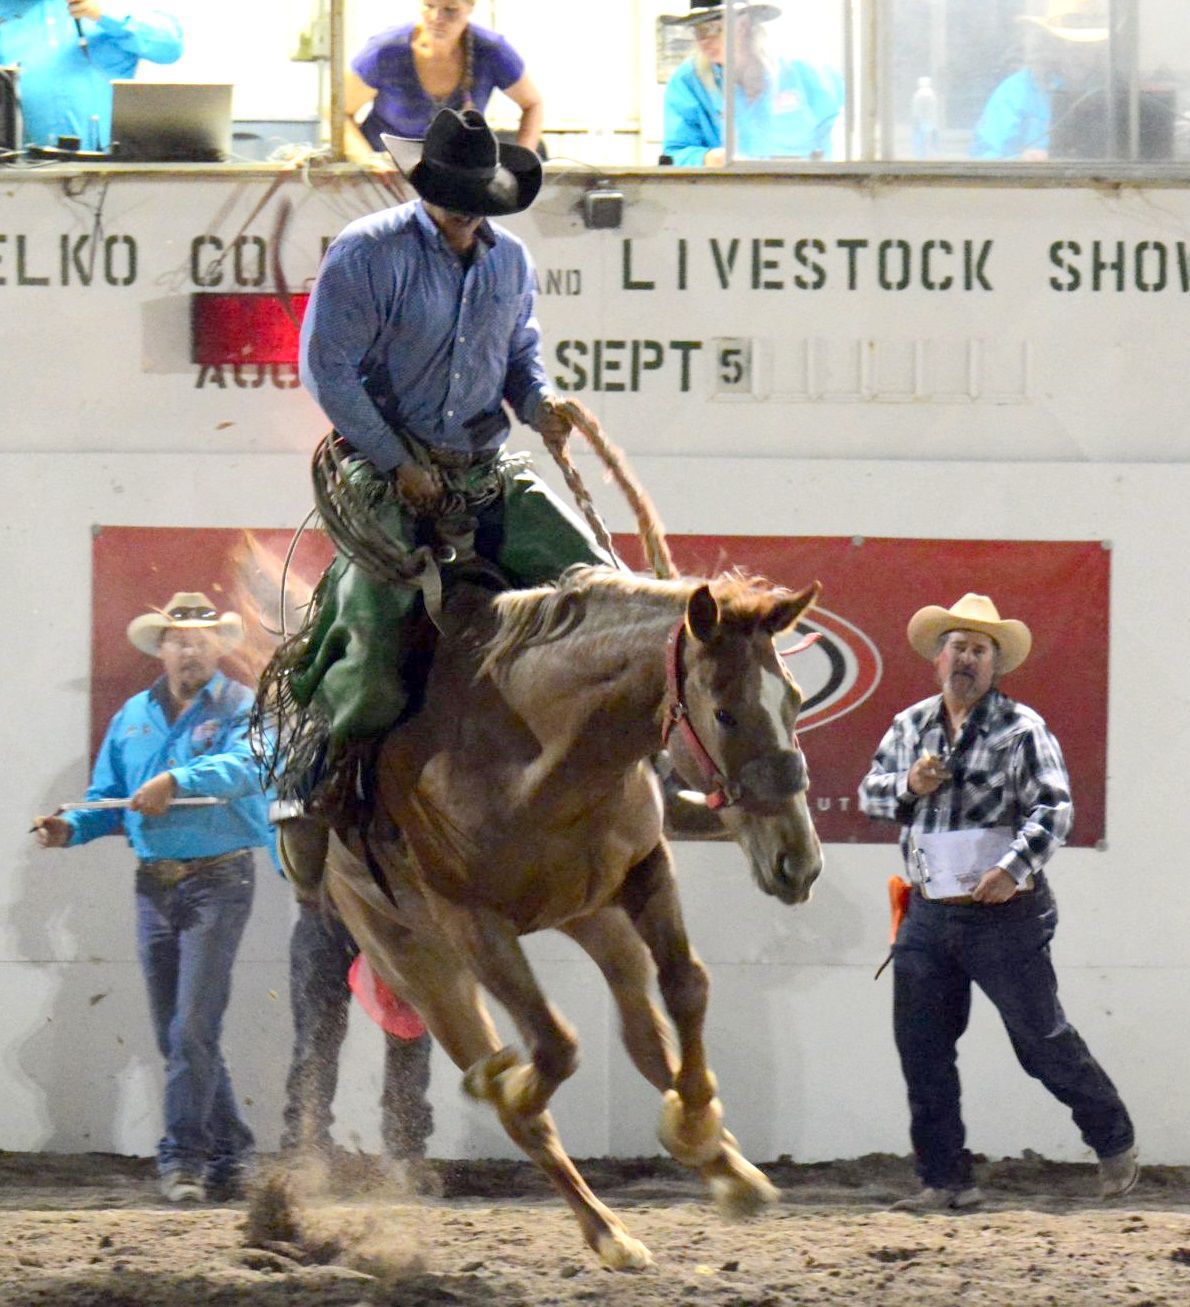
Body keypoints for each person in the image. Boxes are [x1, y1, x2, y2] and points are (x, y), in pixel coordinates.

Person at [263, 106, 615, 876]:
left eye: (477, 202)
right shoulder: (368, 254)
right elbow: (328, 370)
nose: (467, 216)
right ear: (426, 189)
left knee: (603, 586)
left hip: (481, 468)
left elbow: (521, 351)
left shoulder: (510, 262)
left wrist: (540, 403)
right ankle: (309, 774)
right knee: (377, 639)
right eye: (457, 201)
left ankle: (633, 772)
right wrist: (395, 460)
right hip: (380, 471)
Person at [858, 593, 1139, 1212]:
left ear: (994, 666)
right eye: (957, 646)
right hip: (929, 909)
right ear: (939, 658)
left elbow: (1054, 809)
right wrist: (908, 784)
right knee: (923, 1048)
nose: (966, 659)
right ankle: (945, 1180)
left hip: (1004, 912)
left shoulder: (1022, 730)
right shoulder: (909, 728)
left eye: (979, 651)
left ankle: (1113, 1137)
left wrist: (1013, 870)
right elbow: (870, 796)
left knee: (1040, 1039)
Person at [32, 592, 272, 1203]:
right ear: (161, 650)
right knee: (178, 1034)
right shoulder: (132, 716)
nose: (189, 649)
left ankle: (183, 1159)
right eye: (178, 640)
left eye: (200, 640)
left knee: (191, 1026)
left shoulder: (243, 707)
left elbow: (246, 768)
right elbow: (107, 796)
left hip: (219, 881)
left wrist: (176, 780)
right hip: (155, 887)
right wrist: (72, 828)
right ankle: (235, 1153)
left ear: (218, 647)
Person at [281, 902, 434, 1181]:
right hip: (326, 909)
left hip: (399, 914)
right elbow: (289, 864)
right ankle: (306, 1150)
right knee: (316, 1038)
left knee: (408, 1034)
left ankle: (405, 1153)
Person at [343, 0, 543, 165]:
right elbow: (339, 113)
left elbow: (532, 104)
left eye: (450, 10)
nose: (436, 18)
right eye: (429, 6)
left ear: (470, 7)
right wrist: (368, 160)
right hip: (387, 176)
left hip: (455, 175)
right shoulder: (385, 51)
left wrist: (520, 161)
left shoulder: (492, 51)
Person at [661, 0, 842, 166]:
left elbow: (846, 129)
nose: (704, 41)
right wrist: (708, 158)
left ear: (743, 25)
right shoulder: (689, 81)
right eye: (698, 31)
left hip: (808, 191)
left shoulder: (806, 71)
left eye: (713, 28)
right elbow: (675, 154)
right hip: (725, 193)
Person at [0, 1, 182, 151]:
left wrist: (105, 15)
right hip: (21, 171)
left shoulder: (116, 5)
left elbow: (169, 47)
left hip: (108, 169)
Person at [970, 0, 1109, 161]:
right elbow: (983, 158)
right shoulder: (1016, 92)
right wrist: (1021, 162)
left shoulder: (1113, 91)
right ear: (1051, 44)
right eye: (1070, 45)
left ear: (1099, 48)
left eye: (1086, 47)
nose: (1077, 54)